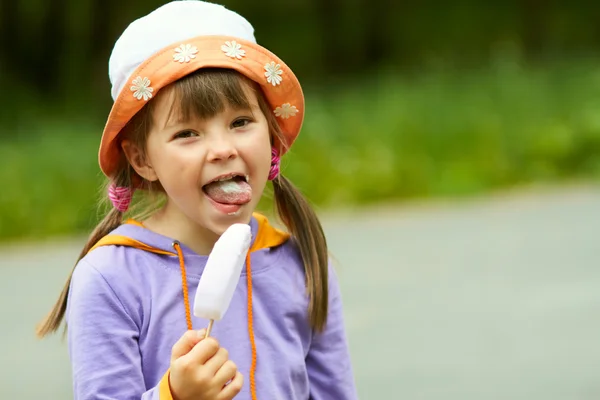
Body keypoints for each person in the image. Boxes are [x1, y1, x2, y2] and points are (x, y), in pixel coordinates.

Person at [35, 1, 358, 399]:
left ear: (271, 135)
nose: (222, 149)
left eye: (240, 122)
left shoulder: (301, 259)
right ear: (142, 158)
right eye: (188, 133)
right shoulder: (110, 279)